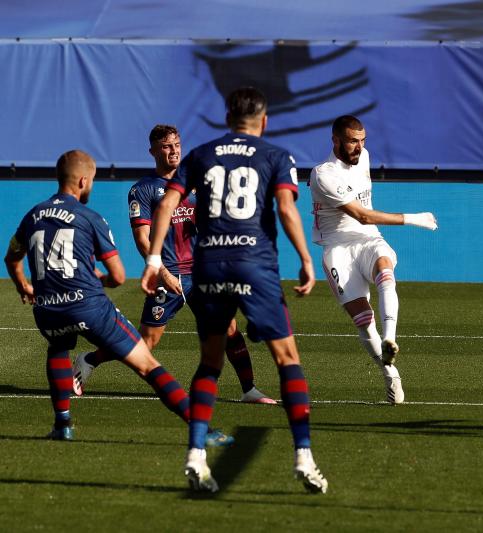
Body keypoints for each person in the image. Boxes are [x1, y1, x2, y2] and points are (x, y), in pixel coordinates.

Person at [142, 87, 327, 493]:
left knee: (210, 363)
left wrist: (155, 259)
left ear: (227, 120)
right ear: (264, 121)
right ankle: (304, 456)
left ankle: (195, 455)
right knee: (287, 358)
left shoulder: (201, 154)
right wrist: (307, 260)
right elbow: (285, 208)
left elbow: (165, 207)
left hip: (208, 266)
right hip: (255, 263)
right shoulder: (277, 155)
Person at [3, 150, 231, 446]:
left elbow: (12, 258)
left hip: (47, 310)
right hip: (90, 307)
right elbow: (119, 276)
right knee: (147, 363)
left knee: (58, 348)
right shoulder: (90, 217)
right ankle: (203, 431)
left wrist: (23, 285)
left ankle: (63, 424)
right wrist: (104, 279)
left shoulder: (32, 216)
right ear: (84, 180)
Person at [71, 125, 274, 405]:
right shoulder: (143, 190)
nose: (174, 150)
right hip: (168, 273)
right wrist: (163, 272)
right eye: (166, 146)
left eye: (177, 144)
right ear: (153, 151)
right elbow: (143, 238)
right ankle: (89, 359)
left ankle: (249, 389)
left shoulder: (195, 182)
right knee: (147, 342)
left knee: (228, 328)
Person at [308, 115, 438, 404]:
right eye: (353, 141)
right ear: (336, 141)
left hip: (368, 238)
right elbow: (362, 214)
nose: (359, 147)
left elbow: (366, 221)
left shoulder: (363, 157)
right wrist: (412, 219)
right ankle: (390, 373)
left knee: (385, 270)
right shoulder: (323, 173)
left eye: (363, 140)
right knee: (364, 323)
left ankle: (390, 338)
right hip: (338, 249)